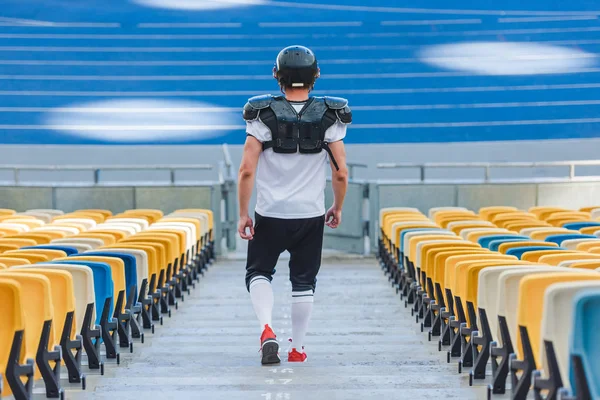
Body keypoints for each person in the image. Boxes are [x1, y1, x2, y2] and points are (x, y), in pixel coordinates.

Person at [238, 45, 351, 365]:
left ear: (277, 76)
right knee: (304, 282)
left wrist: (243, 214)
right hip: (310, 213)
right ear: (315, 76)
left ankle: (266, 329)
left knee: (259, 272)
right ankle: (298, 348)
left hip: (270, 212)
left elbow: (247, 169)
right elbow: (340, 172)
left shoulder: (261, 115)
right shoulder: (330, 116)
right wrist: (337, 206)